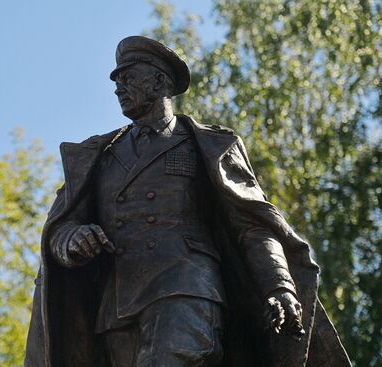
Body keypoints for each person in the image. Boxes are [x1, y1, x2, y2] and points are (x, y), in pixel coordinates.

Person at [24, 36, 350, 367]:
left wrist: (280, 285)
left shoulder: (207, 144)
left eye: (128, 78)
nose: (118, 88)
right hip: (117, 307)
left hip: (187, 287)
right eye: (117, 81)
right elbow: (60, 227)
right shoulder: (98, 157)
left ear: (159, 80)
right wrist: (72, 239)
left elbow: (253, 224)